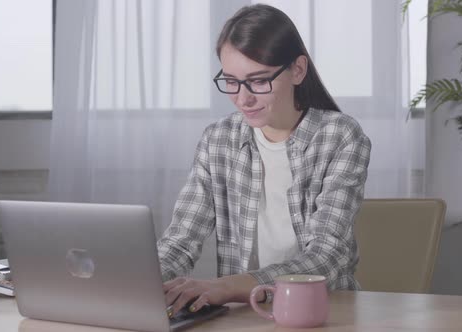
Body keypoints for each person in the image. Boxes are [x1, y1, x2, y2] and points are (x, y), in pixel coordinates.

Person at [158, 4, 371, 316]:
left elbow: (327, 255)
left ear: (298, 70)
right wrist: (145, 284)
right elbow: (180, 243)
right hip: (243, 316)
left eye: (258, 81)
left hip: (324, 313)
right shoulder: (218, 139)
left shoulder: (339, 136)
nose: (243, 98)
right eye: (230, 80)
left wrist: (225, 287)